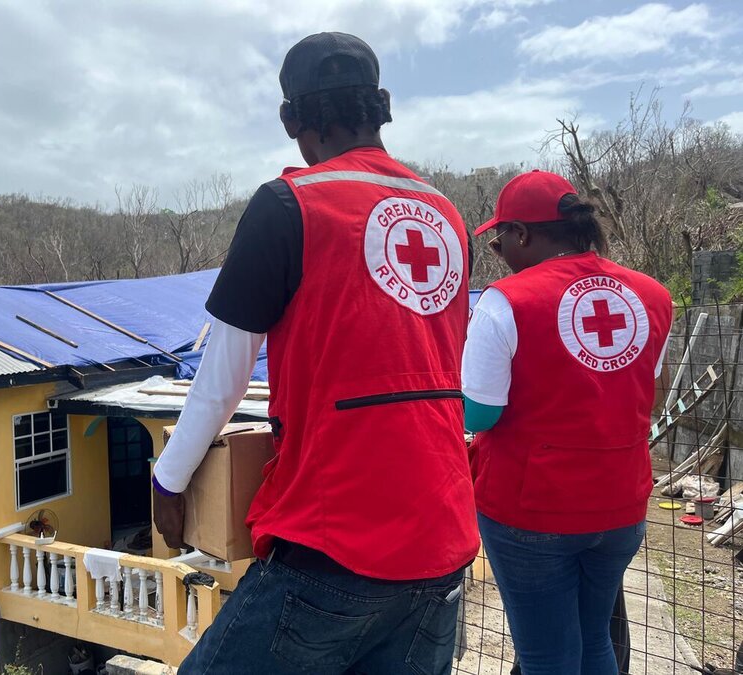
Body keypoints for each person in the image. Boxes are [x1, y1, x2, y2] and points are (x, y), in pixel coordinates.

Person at [152, 32, 479, 674]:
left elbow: (223, 374)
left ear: (291, 120)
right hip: (442, 537)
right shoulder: (446, 214)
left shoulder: (289, 205)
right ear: (380, 105)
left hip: (336, 539)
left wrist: (168, 478)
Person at [463, 170, 672, 675]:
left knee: (546, 655)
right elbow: (649, 392)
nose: (498, 249)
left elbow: (478, 412)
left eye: (499, 238)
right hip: (621, 504)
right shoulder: (653, 295)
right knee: (595, 637)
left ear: (523, 234)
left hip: (532, 508)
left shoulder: (506, 300)